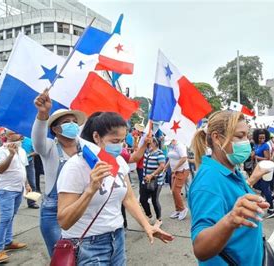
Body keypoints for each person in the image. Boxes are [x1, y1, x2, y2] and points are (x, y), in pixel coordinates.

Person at [57, 112, 173, 265]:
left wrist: (147, 226)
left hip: (117, 239)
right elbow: (64, 221)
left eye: (123, 140)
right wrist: (90, 190)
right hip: (88, 244)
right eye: (114, 140)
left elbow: (129, 198)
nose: (119, 146)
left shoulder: (118, 161)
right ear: (97, 137)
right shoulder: (75, 166)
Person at [189, 110, 272, 265]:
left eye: (247, 136)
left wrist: (251, 180)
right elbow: (200, 248)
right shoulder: (207, 182)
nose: (246, 142)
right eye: (240, 136)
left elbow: (229, 197)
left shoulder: (230, 168)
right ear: (216, 138)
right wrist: (230, 221)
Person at [32, 90, 86, 257]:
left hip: (81, 206)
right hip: (53, 212)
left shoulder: (85, 147)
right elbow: (37, 141)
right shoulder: (49, 147)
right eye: (66, 122)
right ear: (55, 129)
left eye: (74, 121)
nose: (72, 124)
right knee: (62, 257)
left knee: (83, 256)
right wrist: (43, 113)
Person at [0, 130, 30, 264]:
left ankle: (8, 242)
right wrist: (11, 155)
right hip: (6, 190)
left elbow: (22, 169)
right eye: (16, 132)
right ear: (7, 136)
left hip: (19, 189)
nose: (19, 135)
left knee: (11, 217)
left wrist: (27, 184)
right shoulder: (0, 151)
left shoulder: (23, 151)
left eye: (20, 133)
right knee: (5, 218)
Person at [131, 137, 166, 225]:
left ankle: (159, 219)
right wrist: (136, 139)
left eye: (149, 143)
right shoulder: (147, 151)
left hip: (156, 181)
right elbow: (136, 149)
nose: (148, 145)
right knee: (142, 200)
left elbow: (162, 166)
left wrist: (152, 175)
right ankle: (149, 215)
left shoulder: (160, 153)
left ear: (154, 143)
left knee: (155, 200)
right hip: (145, 180)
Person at [252, 128, 274, 218]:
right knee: (256, 185)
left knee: (265, 188)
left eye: (263, 138)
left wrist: (256, 157)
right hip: (258, 168)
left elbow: (268, 158)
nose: (262, 140)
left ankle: (272, 209)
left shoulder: (265, 146)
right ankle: (271, 195)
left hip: (265, 169)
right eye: (260, 138)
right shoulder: (256, 144)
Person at [166, 138, 190, 221]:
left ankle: (183, 209)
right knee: (173, 191)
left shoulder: (180, 146)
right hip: (175, 171)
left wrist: (175, 168)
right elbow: (170, 158)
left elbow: (184, 158)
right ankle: (178, 210)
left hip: (182, 170)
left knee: (176, 190)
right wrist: (166, 167)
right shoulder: (171, 147)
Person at [21, 136, 39, 209]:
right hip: (16, 163)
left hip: (29, 162)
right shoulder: (11, 141)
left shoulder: (29, 140)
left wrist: (28, 155)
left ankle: (31, 202)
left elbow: (37, 151)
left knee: (32, 182)